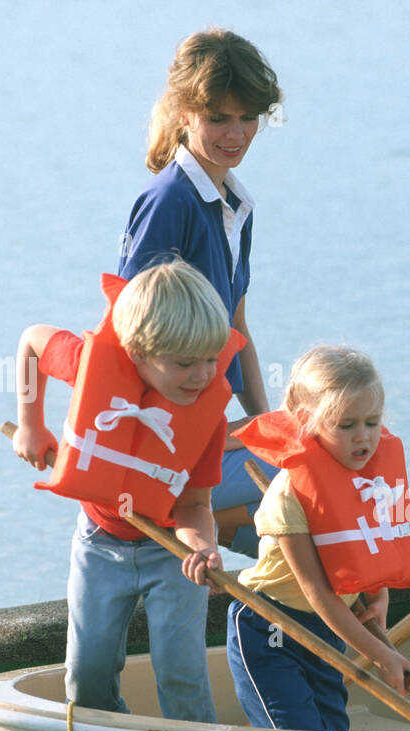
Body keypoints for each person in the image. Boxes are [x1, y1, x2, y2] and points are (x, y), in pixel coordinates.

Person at [13, 260, 237, 723]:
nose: (202, 376)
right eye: (184, 363)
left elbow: (195, 505)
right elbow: (32, 340)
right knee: (86, 677)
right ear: (136, 351)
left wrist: (202, 547)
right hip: (99, 545)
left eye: (211, 360)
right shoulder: (89, 366)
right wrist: (31, 425)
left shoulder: (206, 418)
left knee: (181, 675)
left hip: (171, 551)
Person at [119, 28, 283, 555]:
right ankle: (181, 516)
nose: (236, 133)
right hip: (165, 442)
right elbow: (129, 340)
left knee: (313, 457)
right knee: (316, 467)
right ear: (185, 113)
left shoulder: (236, 204)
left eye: (247, 117)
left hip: (211, 432)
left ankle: (211, 527)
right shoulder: (170, 202)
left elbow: (238, 331)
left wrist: (265, 420)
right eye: (218, 118)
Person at [226, 347, 410, 731]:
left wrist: (378, 593)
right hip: (269, 626)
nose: (363, 437)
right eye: (345, 425)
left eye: (371, 422)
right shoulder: (289, 496)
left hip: (327, 629)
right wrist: (383, 657)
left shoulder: (371, 484)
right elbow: (316, 590)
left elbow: (375, 544)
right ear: (307, 421)